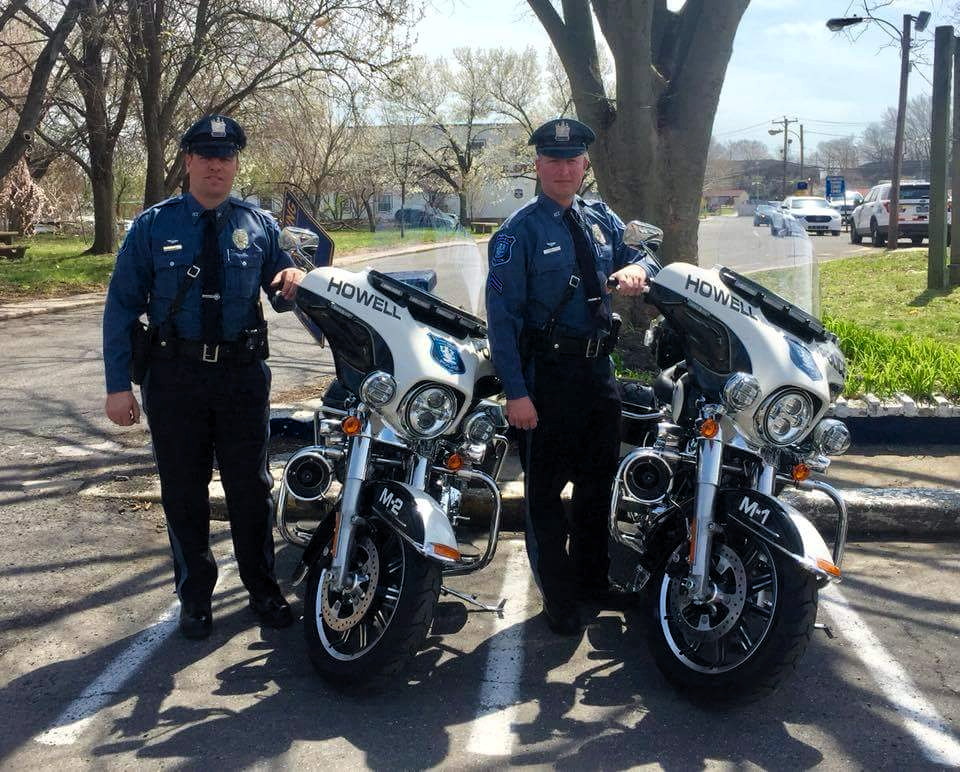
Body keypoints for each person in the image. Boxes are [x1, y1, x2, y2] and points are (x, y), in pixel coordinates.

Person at [102, 115, 305, 640]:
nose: (217, 164)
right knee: (184, 491)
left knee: (251, 489)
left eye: (227, 155)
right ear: (188, 161)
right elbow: (120, 309)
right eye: (206, 154)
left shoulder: (259, 226)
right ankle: (195, 596)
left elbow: (285, 290)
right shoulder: (153, 226)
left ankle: (262, 588)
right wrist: (117, 385)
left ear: (236, 163)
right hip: (174, 378)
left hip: (241, 376)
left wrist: (295, 278)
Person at [485, 118, 661, 635]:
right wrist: (516, 393)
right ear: (537, 165)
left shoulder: (600, 217)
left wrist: (639, 269)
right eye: (553, 160)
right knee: (543, 497)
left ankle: (591, 580)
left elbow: (641, 250)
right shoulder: (518, 232)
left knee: (597, 486)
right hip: (547, 378)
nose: (564, 169)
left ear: (585, 165)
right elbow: (503, 319)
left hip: (597, 374)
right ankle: (558, 597)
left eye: (573, 160)